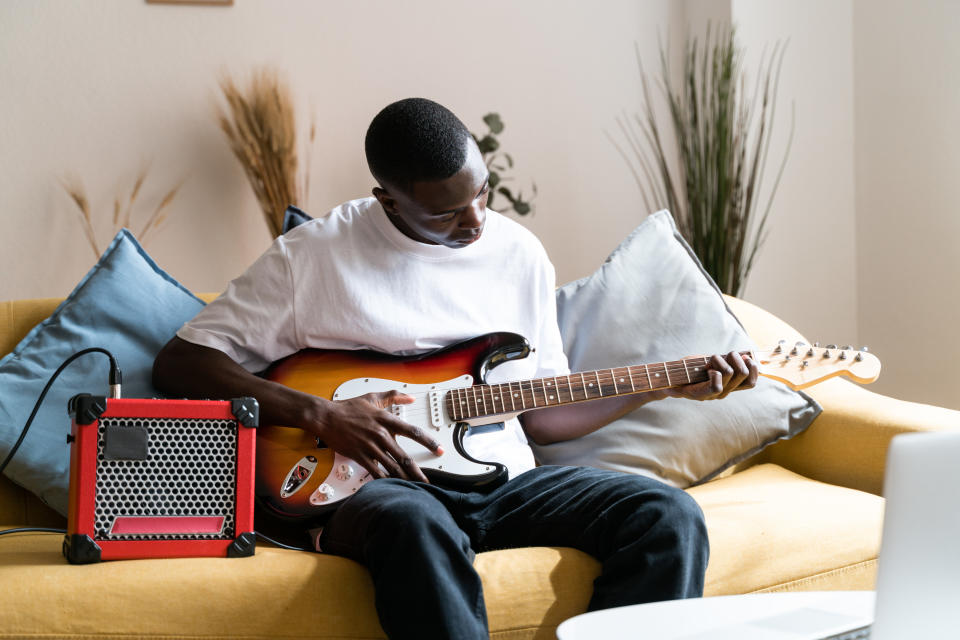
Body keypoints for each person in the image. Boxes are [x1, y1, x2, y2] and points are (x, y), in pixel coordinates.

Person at [153, 97, 758, 639]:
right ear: (386, 199)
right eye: (445, 213)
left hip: (504, 483)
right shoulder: (310, 258)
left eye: (482, 193)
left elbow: (542, 419)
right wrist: (319, 413)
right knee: (417, 525)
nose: (474, 221)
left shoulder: (518, 253)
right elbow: (182, 361)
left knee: (667, 516)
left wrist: (663, 387)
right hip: (380, 489)